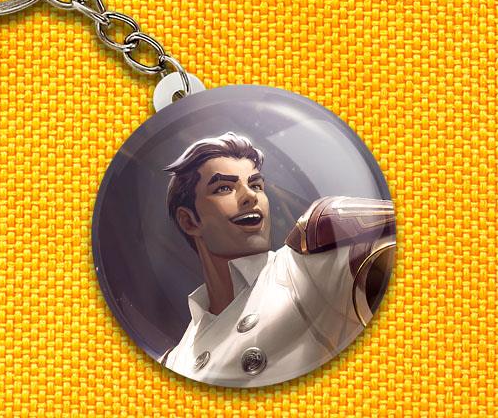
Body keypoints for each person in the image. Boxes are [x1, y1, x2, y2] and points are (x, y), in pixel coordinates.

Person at [161, 132, 395, 386]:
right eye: (224, 188)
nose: (250, 196)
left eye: (256, 185)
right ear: (189, 221)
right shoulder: (174, 360)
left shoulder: (308, 262)